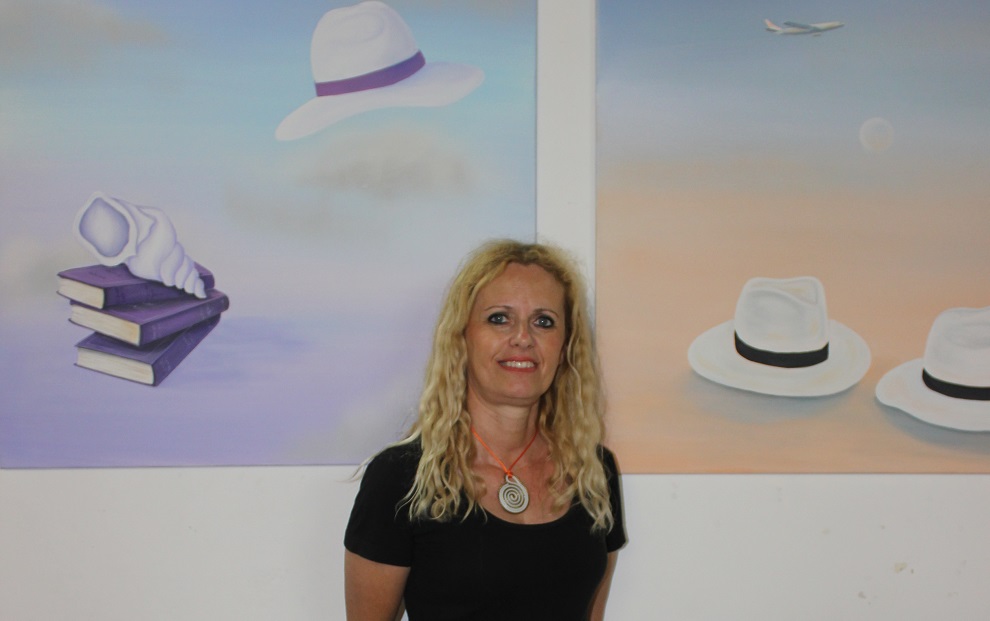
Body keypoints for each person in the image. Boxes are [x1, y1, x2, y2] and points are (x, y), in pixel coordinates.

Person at [344, 239, 626, 620]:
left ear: (565, 347)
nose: (523, 337)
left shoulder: (594, 473)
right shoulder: (399, 479)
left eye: (544, 321)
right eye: (499, 318)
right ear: (463, 337)